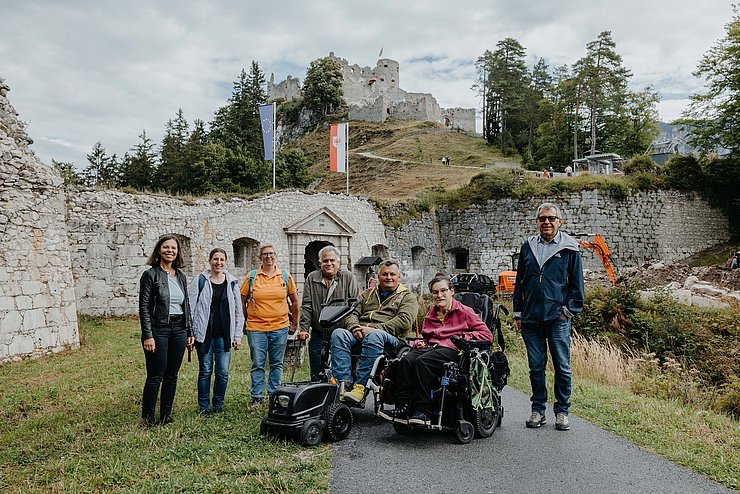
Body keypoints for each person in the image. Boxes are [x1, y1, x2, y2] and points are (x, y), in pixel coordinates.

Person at [379, 274, 492, 425]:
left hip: (454, 350)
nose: (439, 295)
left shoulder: (465, 312)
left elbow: (486, 335)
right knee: (406, 360)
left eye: (443, 291)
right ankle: (404, 406)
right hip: (432, 348)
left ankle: (423, 411)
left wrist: (462, 337)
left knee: (423, 362)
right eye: (435, 292)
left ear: (452, 291)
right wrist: (421, 343)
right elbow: (426, 337)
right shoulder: (430, 315)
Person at [513, 203, 584, 431]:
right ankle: (538, 410)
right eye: (542, 218)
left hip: (557, 318)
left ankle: (562, 411)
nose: (547, 222)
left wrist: (569, 311)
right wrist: (518, 312)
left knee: (562, 367)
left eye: (551, 218)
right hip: (531, 318)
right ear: (537, 222)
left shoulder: (569, 248)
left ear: (559, 221)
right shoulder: (528, 247)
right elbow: (519, 282)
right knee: (536, 367)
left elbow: (577, 285)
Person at [330, 260, 419, 403]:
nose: (388, 277)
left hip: (392, 339)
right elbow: (352, 314)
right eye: (384, 274)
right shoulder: (367, 294)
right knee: (339, 334)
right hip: (362, 333)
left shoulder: (408, 297)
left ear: (399, 277)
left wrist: (373, 329)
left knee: (374, 335)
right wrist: (354, 328)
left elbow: (404, 321)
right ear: (378, 276)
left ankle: (360, 387)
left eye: (392, 274)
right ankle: (343, 386)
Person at [139, 234, 194, 426]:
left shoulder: (180, 276)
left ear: (178, 252)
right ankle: (148, 418)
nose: (170, 251)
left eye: (173, 248)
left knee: (172, 374)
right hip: (158, 329)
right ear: (159, 250)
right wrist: (148, 335)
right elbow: (144, 307)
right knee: (156, 375)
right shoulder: (150, 275)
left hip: (179, 328)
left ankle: (165, 415)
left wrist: (189, 332)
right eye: (166, 247)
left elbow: (186, 304)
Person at [241, 243, 299, 406]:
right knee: (258, 363)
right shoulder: (252, 276)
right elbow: (242, 300)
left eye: (271, 253)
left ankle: (274, 395)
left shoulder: (285, 276)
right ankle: (257, 397)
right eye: (265, 254)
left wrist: (294, 324)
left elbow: (294, 301)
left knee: (276, 363)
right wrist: (245, 321)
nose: (268, 256)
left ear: (275, 256)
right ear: (260, 257)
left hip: (279, 327)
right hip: (256, 328)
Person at [188, 248, 245, 415]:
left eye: (221, 259)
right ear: (210, 260)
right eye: (215, 259)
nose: (218, 262)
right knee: (205, 371)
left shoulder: (232, 282)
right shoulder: (200, 281)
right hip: (204, 334)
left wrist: (237, 336)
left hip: (224, 335)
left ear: (225, 262)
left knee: (223, 372)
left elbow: (238, 312)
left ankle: (218, 405)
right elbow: (191, 308)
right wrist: (190, 333)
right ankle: (204, 407)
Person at [297, 245, 361, 381]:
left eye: (332, 260)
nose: (329, 263)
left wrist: (353, 327)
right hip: (319, 331)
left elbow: (354, 306)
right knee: (316, 366)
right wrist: (303, 329)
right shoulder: (312, 278)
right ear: (320, 263)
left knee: (342, 366)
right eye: (325, 261)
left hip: (341, 332)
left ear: (338, 262)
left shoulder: (348, 277)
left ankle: (342, 392)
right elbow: (307, 306)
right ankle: (316, 393)